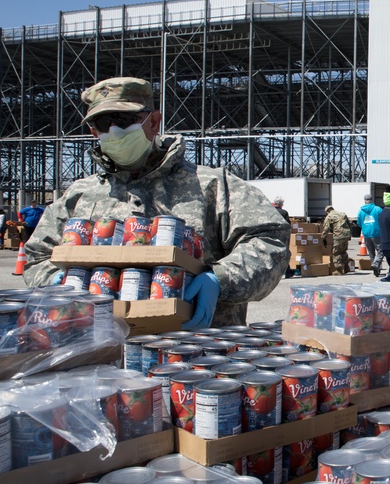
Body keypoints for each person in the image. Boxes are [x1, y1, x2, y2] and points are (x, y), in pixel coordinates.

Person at [24, 77, 290, 329]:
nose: (115, 130)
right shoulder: (78, 195)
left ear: (153, 122)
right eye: (104, 123)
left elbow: (269, 241)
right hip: (102, 352)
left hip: (194, 350)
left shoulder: (214, 185)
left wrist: (219, 279)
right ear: (94, 132)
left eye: (126, 120)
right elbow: (37, 256)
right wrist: (54, 281)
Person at [358, 193, 384, 277]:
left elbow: (359, 222)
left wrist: (365, 228)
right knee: (381, 250)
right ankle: (376, 264)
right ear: (372, 200)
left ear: (365, 201)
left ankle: (376, 270)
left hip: (366, 234)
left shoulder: (361, 211)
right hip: (377, 233)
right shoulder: (378, 209)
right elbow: (383, 220)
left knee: (371, 252)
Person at [322, 205, 352, 275]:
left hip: (338, 235)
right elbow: (350, 224)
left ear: (327, 211)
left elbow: (326, 229)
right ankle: (347, 267)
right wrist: (350, 234)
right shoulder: (342, 214)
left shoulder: (329, 216)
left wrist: (323, 238)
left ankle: (339, 270)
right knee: (343, 251)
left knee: (336, 253)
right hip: (346, 234)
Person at [273, 197, 295, 278]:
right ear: (281, 204)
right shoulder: (284, 212)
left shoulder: (270, 211)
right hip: (282, 236)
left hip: (272, 235)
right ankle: (288, 273)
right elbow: (288, 224)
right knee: (285, 253)